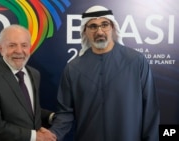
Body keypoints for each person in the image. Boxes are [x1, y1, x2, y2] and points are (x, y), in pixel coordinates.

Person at [50, 5, 160, 141]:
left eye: (104, 24)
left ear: (112, 27)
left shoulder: (136, 61)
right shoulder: (73, 68)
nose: (99, 31)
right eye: (93, 26)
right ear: (85, 31)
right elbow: (65, 113)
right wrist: (52, 135)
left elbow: (150, 110)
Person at [0, 24, 56, 141]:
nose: (19, 51)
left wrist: (51, 117)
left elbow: (26, 109)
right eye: (12, 45)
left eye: (24, 45)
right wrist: (34, 136)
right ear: (1, 49)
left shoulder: (34, 74)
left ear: (30, 48)